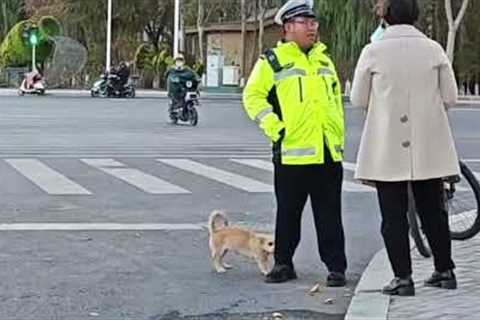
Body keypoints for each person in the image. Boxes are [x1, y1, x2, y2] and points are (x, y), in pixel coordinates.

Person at [351, 0, 459, 296]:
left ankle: (403, 278)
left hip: (387, 147)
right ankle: (445, 270)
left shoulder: (373, 51)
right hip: (429, 145)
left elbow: (359, 99)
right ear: (416, 16)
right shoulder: (434, 49)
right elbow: (450, 97)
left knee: (393, 215)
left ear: (385, 16)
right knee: (434, 211)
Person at [242, 0, 347, 285]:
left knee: (330, 215)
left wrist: (337, 135)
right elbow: (252, 97)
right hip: (291, 152)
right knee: (288, 213)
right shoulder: (272, 62)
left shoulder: (324, 61)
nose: (312, 28)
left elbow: (335, 103)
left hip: (326, 153)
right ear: (288, 27)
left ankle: (337, 267)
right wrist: (275, 128)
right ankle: (283, 264)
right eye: (305, 22)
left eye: (314, 22)